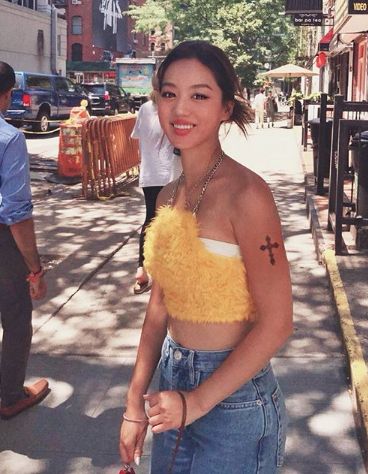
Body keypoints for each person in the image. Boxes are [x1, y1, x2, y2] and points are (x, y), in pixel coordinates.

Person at [119, 41, 293, 474]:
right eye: (169, 93)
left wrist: (196, 401)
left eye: (199, 95)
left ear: (225, 108)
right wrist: (133, 403)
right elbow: (158, 308)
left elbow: (277, 322)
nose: (180, 108)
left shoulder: (247, 194)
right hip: (170, 386)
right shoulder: (168, 196)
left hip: (235, 401)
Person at [0, 61, 49, 420]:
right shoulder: (10, 138)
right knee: (16, 317)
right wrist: (35, 268)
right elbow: (16, 212)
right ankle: (9, 395)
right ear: (6, 95)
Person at [131, 79, 181, 294]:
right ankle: (168, 273)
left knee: (150, 219)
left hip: (150, 174)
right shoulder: (175, 108)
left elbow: (138, 136)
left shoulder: (144, 108)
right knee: (174, 222)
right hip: (171, 174)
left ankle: (142, 270)